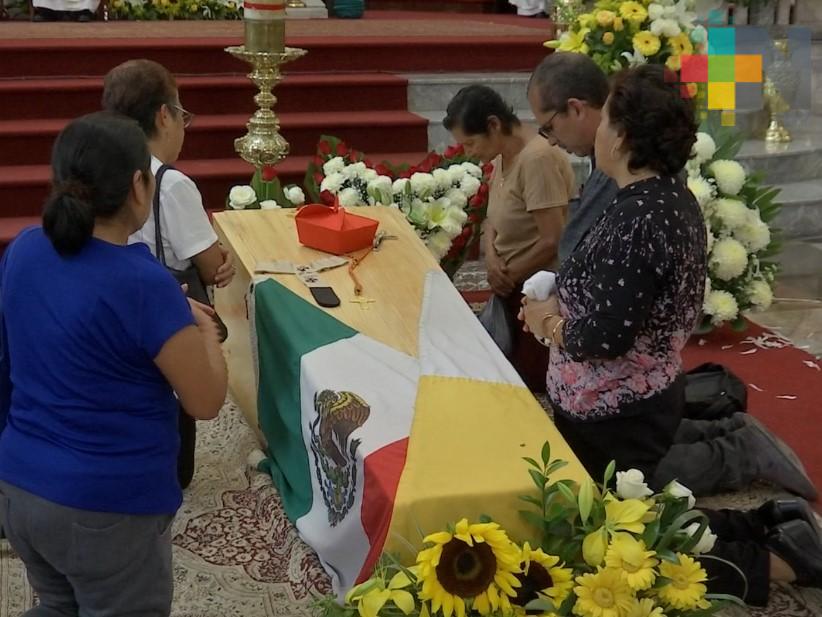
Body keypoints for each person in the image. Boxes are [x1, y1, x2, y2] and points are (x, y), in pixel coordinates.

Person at [521, 60, 821, 605]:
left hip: (616, 407)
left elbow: (602, 337)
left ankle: (778, 562)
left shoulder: (639, 217)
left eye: (607, 118)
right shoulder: (657, 199)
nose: (600, 131)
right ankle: (768, 524)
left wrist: (548, 321)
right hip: (629, 398)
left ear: (625, 135)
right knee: (633, 515)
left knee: (625, 544)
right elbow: (615, 293)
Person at [0, 111, 228, 615]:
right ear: (138, 187)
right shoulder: (144, 285)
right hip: (105, 505)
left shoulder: (26, 250)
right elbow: (206, 400)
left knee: (59, 605)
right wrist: (206, 332)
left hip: (21, 487)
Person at [103, 59, 236, 489]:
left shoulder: (106, 169)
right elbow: (211, 266)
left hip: (113, 305)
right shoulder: (172, 184)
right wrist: (222, 262)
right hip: (170, 303)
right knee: (177, 398)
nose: (183, 125)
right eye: (182, 114)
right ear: (164, 115)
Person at [444, 84, 575, 392]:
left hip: (536, 291)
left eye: (470, 143)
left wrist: (509, 277)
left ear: (494, 125)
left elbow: (552, 238)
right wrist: (491, 257)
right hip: (511, 285)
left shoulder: (536, 159)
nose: (469, 152)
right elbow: (493, 218)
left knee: (530, 384)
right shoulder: (504, 155)